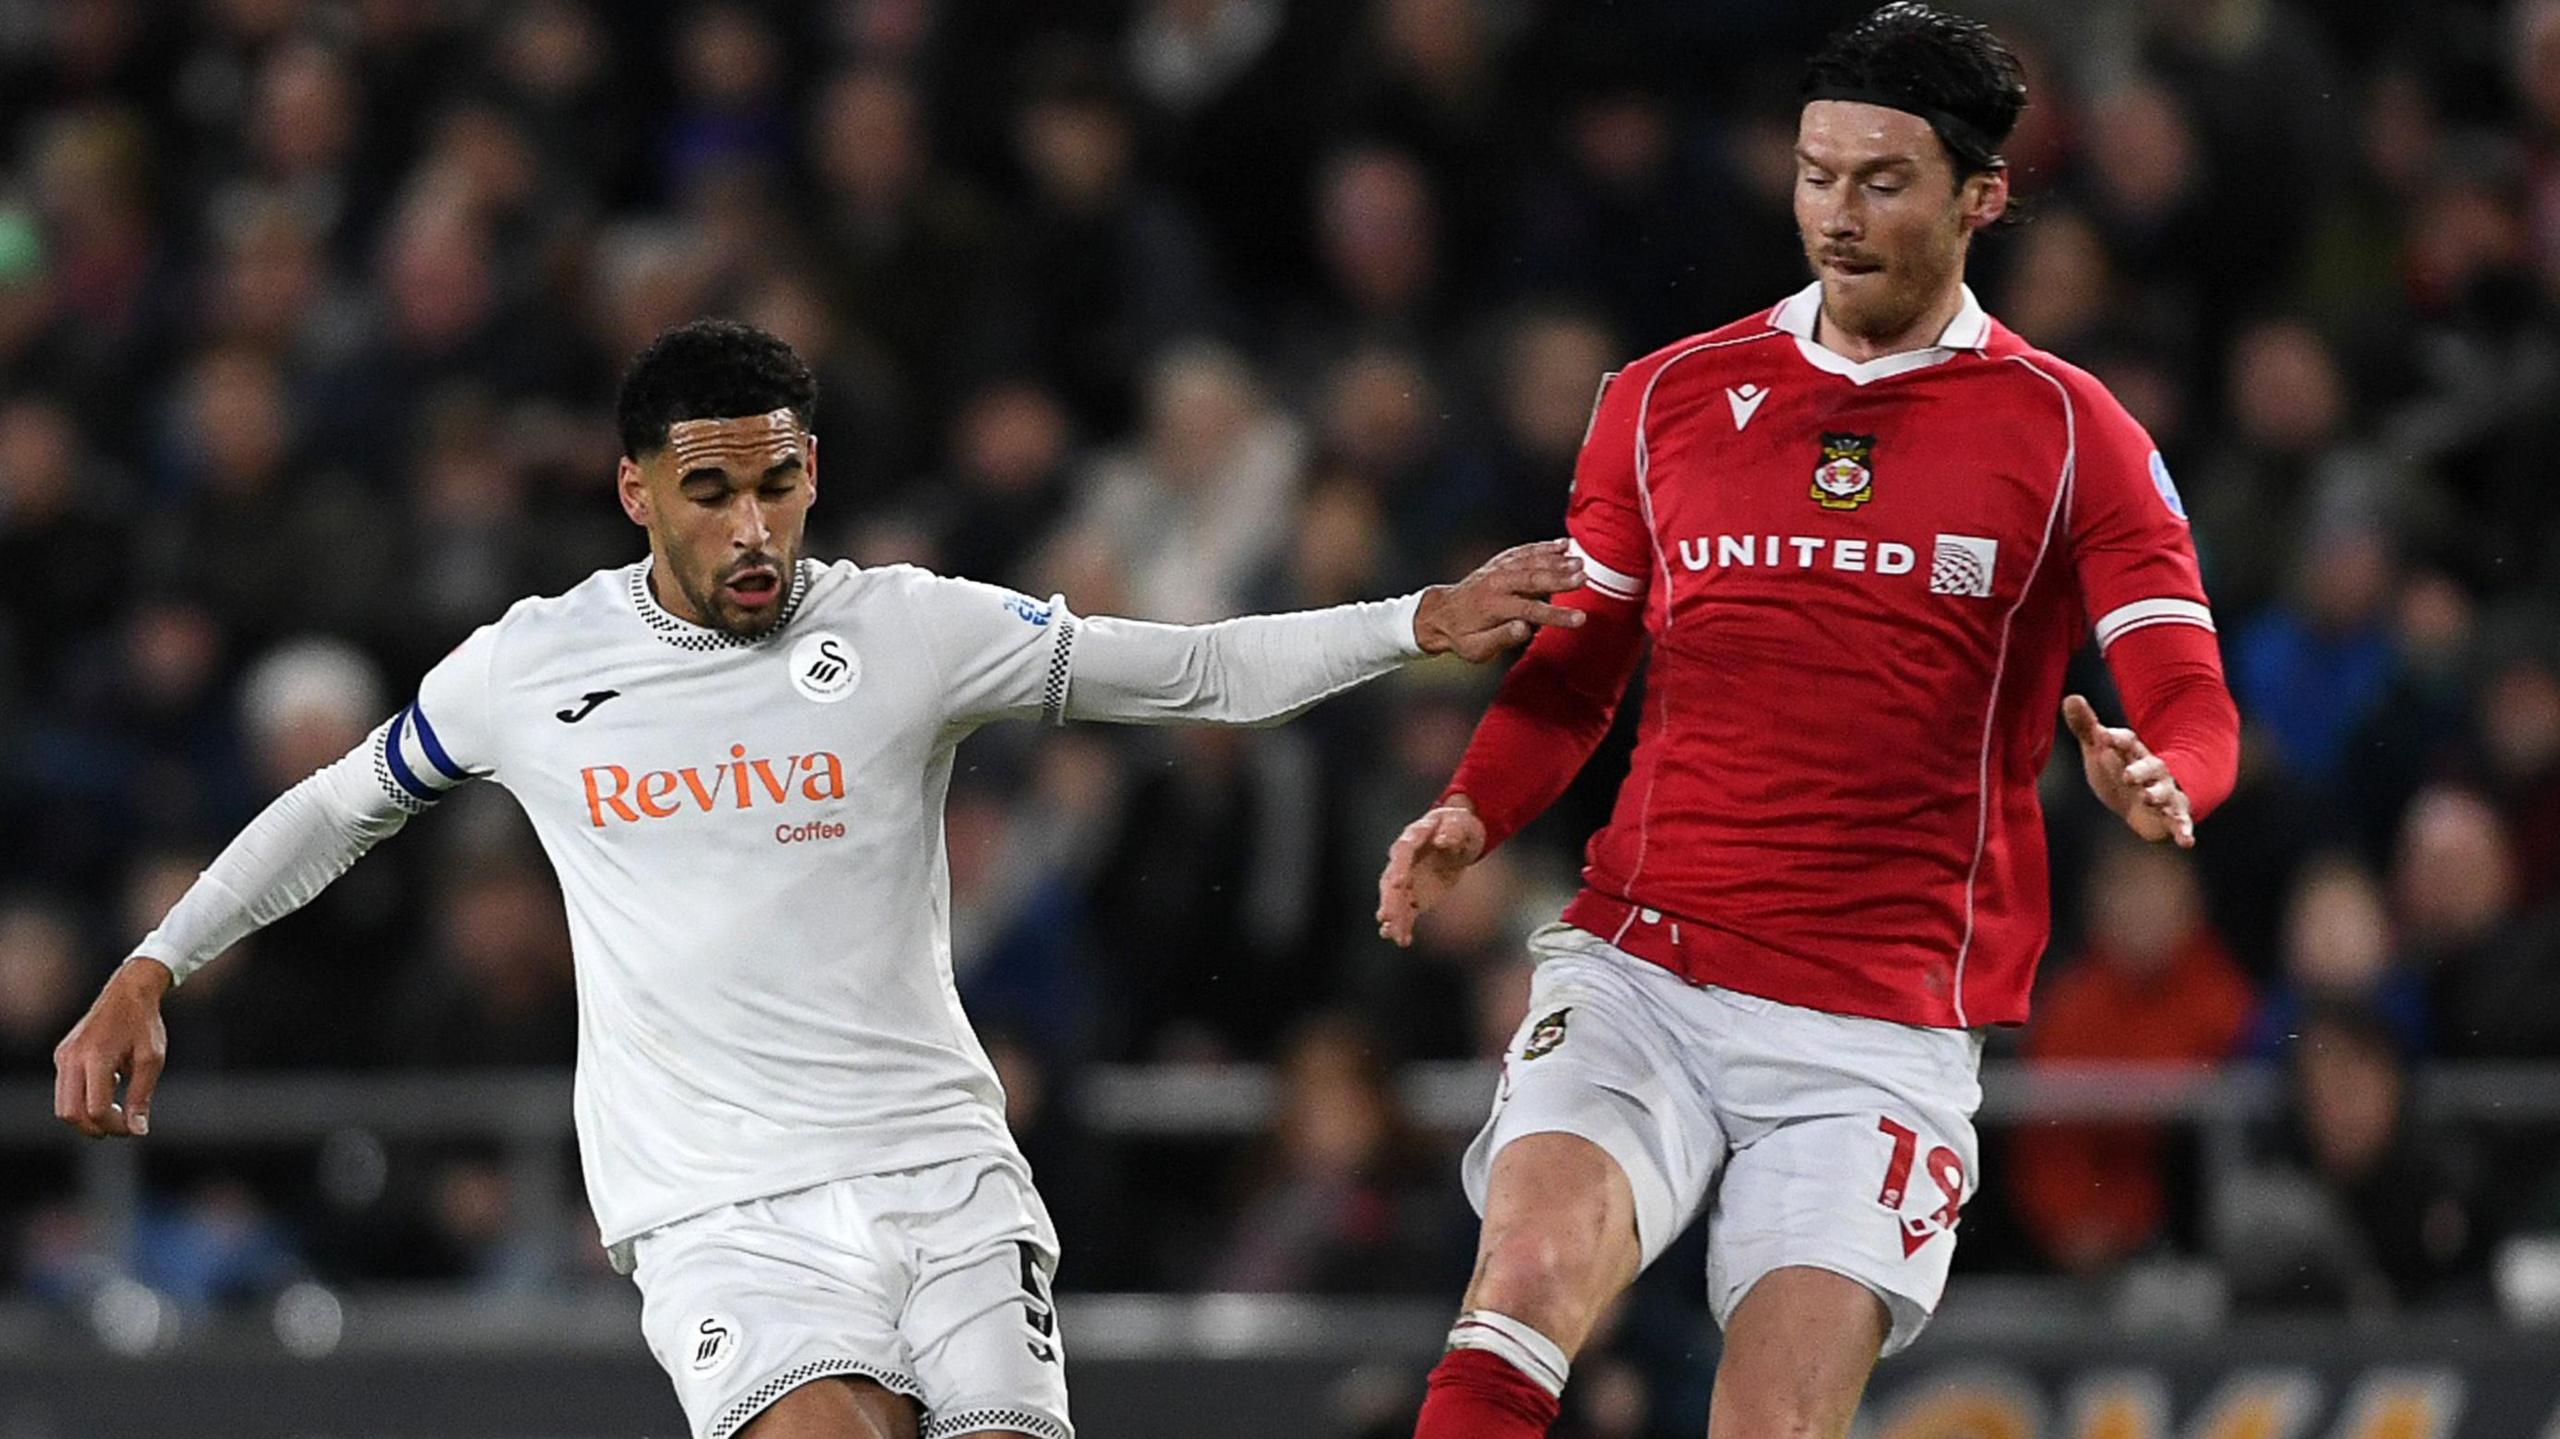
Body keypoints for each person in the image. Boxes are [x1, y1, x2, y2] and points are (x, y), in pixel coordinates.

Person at [52, 319, 1586, 1439]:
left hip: (943, 1173)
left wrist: (1417, 620)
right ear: (635, 491)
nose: (753, 527)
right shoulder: (534, 667)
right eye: (711, 491)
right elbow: (339, 807)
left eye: (778, 485)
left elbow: (1186, 668)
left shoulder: (907, 629)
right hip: (723, 1206)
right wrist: (152, 964)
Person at [1372, 7, 2242, 1437]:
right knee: (1524, 1276)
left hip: (1881, 1021)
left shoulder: (2072, 431)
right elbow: (1578, 672)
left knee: (1773, 1418)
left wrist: (2171, 776)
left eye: (1883, 182)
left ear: (1981, 196)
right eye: (1816, 175)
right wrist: (1478, 806)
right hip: (1646, 962)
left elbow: (2187, 691)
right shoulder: (1664, 398)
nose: (1838, 216)